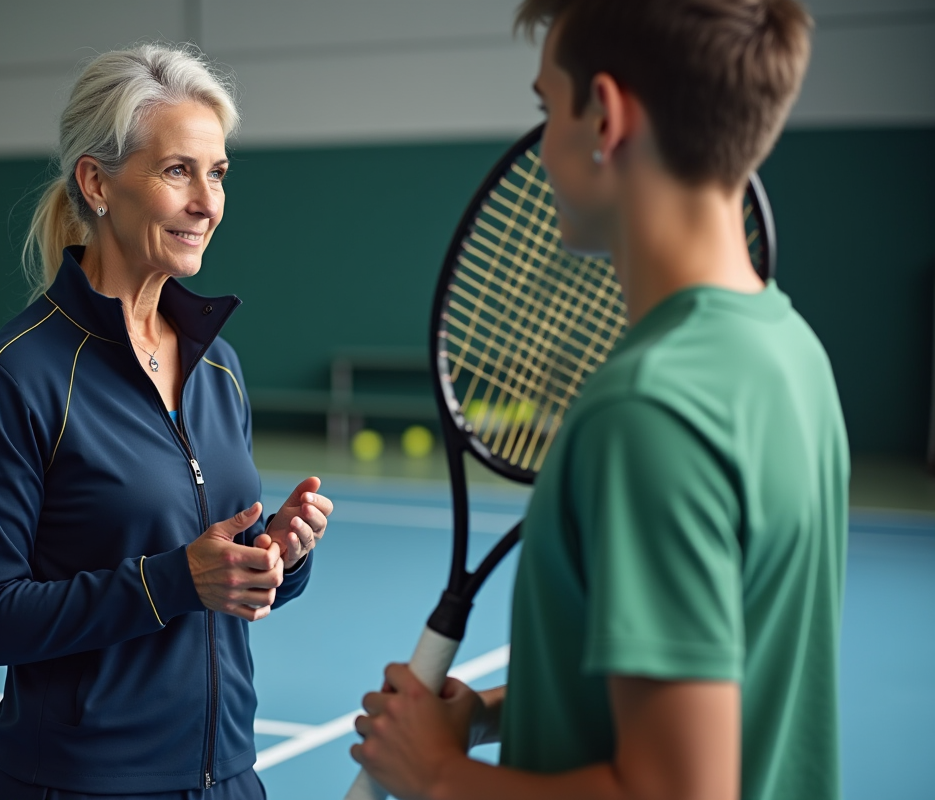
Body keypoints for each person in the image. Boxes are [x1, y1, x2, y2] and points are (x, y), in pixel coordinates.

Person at [351, 2, 846, 799]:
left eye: (547, 108)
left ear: (606, 118)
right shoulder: (790, 352)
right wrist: (485, 717)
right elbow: (721, 679)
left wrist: (438, 775)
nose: (541, 146)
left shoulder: (648, 413)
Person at [0, 43, 333, 800]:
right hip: (80, 784)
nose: (208, 203)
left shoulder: (219, 367)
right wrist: (175, 579)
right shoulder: (14, 375)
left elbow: (217, 576)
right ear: (97, 183)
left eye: (218, 173)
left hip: (228, 776)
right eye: (178, 170)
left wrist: (274, 557)